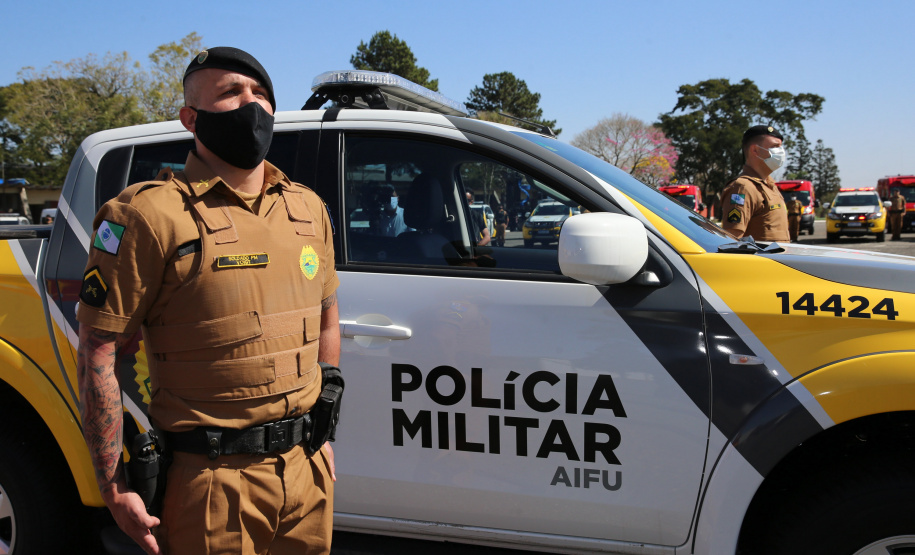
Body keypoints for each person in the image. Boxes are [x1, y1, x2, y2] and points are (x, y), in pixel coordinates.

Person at [75, 47, 340, 555]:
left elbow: (326, 320)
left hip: (306, 475)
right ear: (190, 118)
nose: (251, 104)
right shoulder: (147, 215)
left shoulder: (306, 207)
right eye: (231, 93)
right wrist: (112, 485)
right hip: (213, 482)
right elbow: (97, 351)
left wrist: (323, 433)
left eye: (260, 93)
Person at [720, 125, 790, 242]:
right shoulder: (743, 187)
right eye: (775, 146)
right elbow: (732, 239)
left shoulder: (770, 185)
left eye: (780, 147)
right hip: (761, 255)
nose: (781, 151)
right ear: (755, 150)